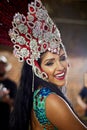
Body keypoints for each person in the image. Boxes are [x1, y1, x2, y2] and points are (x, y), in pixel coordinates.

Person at [9, 0, 87, 129]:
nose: (61, 66)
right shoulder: (51, 100)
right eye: (50, 63)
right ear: (37, 69)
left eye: (62, 58)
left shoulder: (38, 96)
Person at [0, 55, 17, 130]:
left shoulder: (11, 84)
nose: (0, 67)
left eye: (2, 65)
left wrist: (7, 100)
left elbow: (16, 103)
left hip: (5, 121)